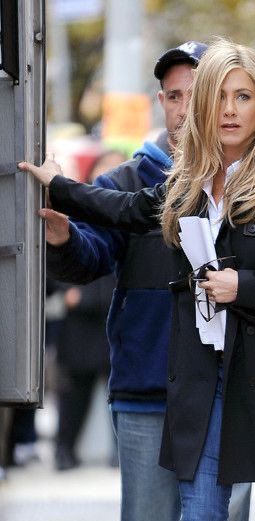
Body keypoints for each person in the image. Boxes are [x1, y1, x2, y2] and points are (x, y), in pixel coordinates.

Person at [20, 39, 255, 521]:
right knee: (200, 511)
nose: (229, 111)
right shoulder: (187, 183)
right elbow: (125, 209)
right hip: (203, 379)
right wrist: (60, 187)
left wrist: (245, 286)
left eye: (244, 97)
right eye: (218, 97)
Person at [23, 42, 251, 520]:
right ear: (161, 102)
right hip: (149, 389)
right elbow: (89, 262)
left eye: (196, 93)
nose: (184, 108)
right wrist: (63, 239)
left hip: (231, 390)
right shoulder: (123, 182)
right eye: (173, 96)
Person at [54, 151, 126, 471]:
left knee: (119, 390)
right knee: (75, 392)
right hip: (82, 318)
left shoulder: (132, 210)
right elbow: (58, 253)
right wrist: (68, 293)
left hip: (116, 315)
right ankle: (64, 449)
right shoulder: (77, 208)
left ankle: (119, 451)